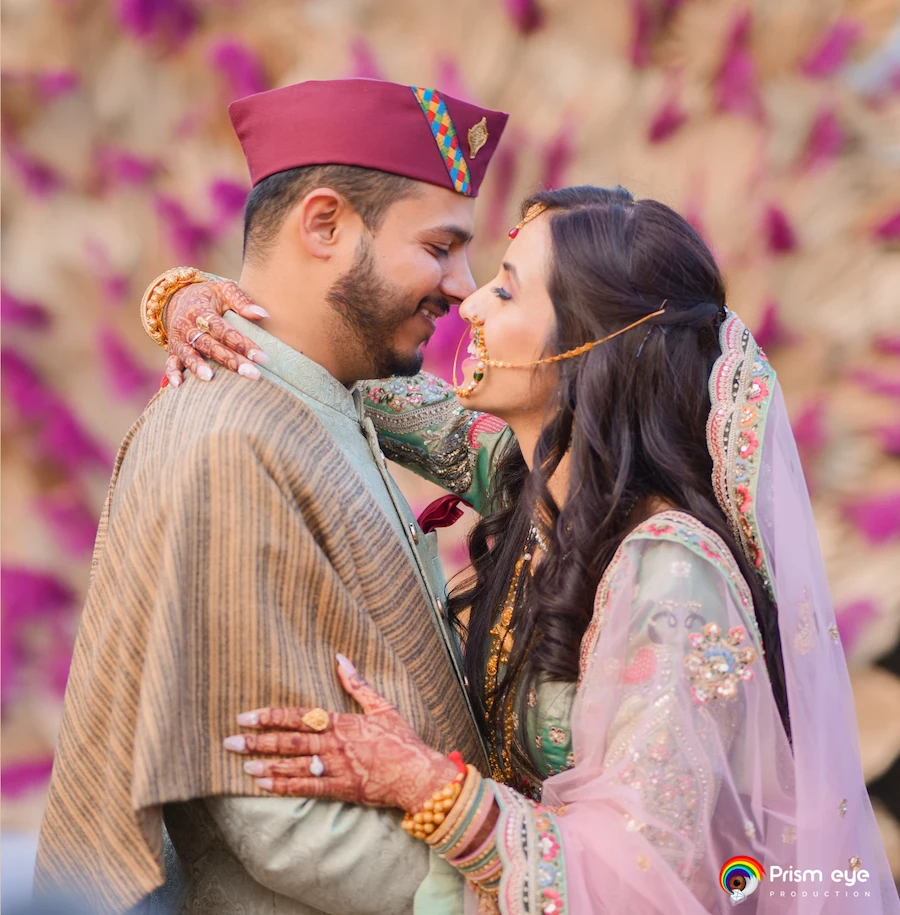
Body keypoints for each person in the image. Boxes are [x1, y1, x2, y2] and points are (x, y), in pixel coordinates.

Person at [156, 187, 899, 913]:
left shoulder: (674, 570)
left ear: (589, 348)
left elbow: (649, 878)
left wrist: (425, 786)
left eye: (507, 292)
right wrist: (198, 303)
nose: (470, 303)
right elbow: (335, 371)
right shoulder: (534, 484)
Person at [33, 78, 510, 915]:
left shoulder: (328, 393)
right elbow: (274, 814)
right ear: (323, 225)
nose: (463, 286)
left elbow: (505, 451)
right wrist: (511, 888)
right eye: (439, 247)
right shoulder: (232, 439)